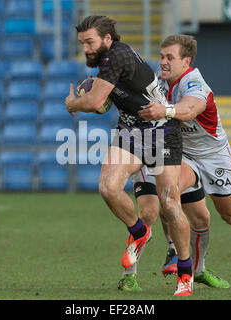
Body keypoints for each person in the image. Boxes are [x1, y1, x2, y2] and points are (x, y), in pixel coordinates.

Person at [118, 34, 231, 292]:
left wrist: (165, 111)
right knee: (168, 191)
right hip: (183, 154)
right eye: (162, 56)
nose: (164, 62)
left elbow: (189, 110)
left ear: (186, 61)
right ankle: (175, 252)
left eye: (170, 58)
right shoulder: (159, 82)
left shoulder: (194, 83)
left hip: (214, 156)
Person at [64, 16, 194, 296]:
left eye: (90, 42)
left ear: (107, 39)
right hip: (132, 130)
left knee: (170, 206)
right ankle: (139, 231)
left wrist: (74, 102)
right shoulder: (107, 61)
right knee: (108, 187)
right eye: (82, 43)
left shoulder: (117, 56)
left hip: (162, 131)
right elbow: (103, 97)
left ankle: (185, 272)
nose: (85, 48)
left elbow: (97, 101)